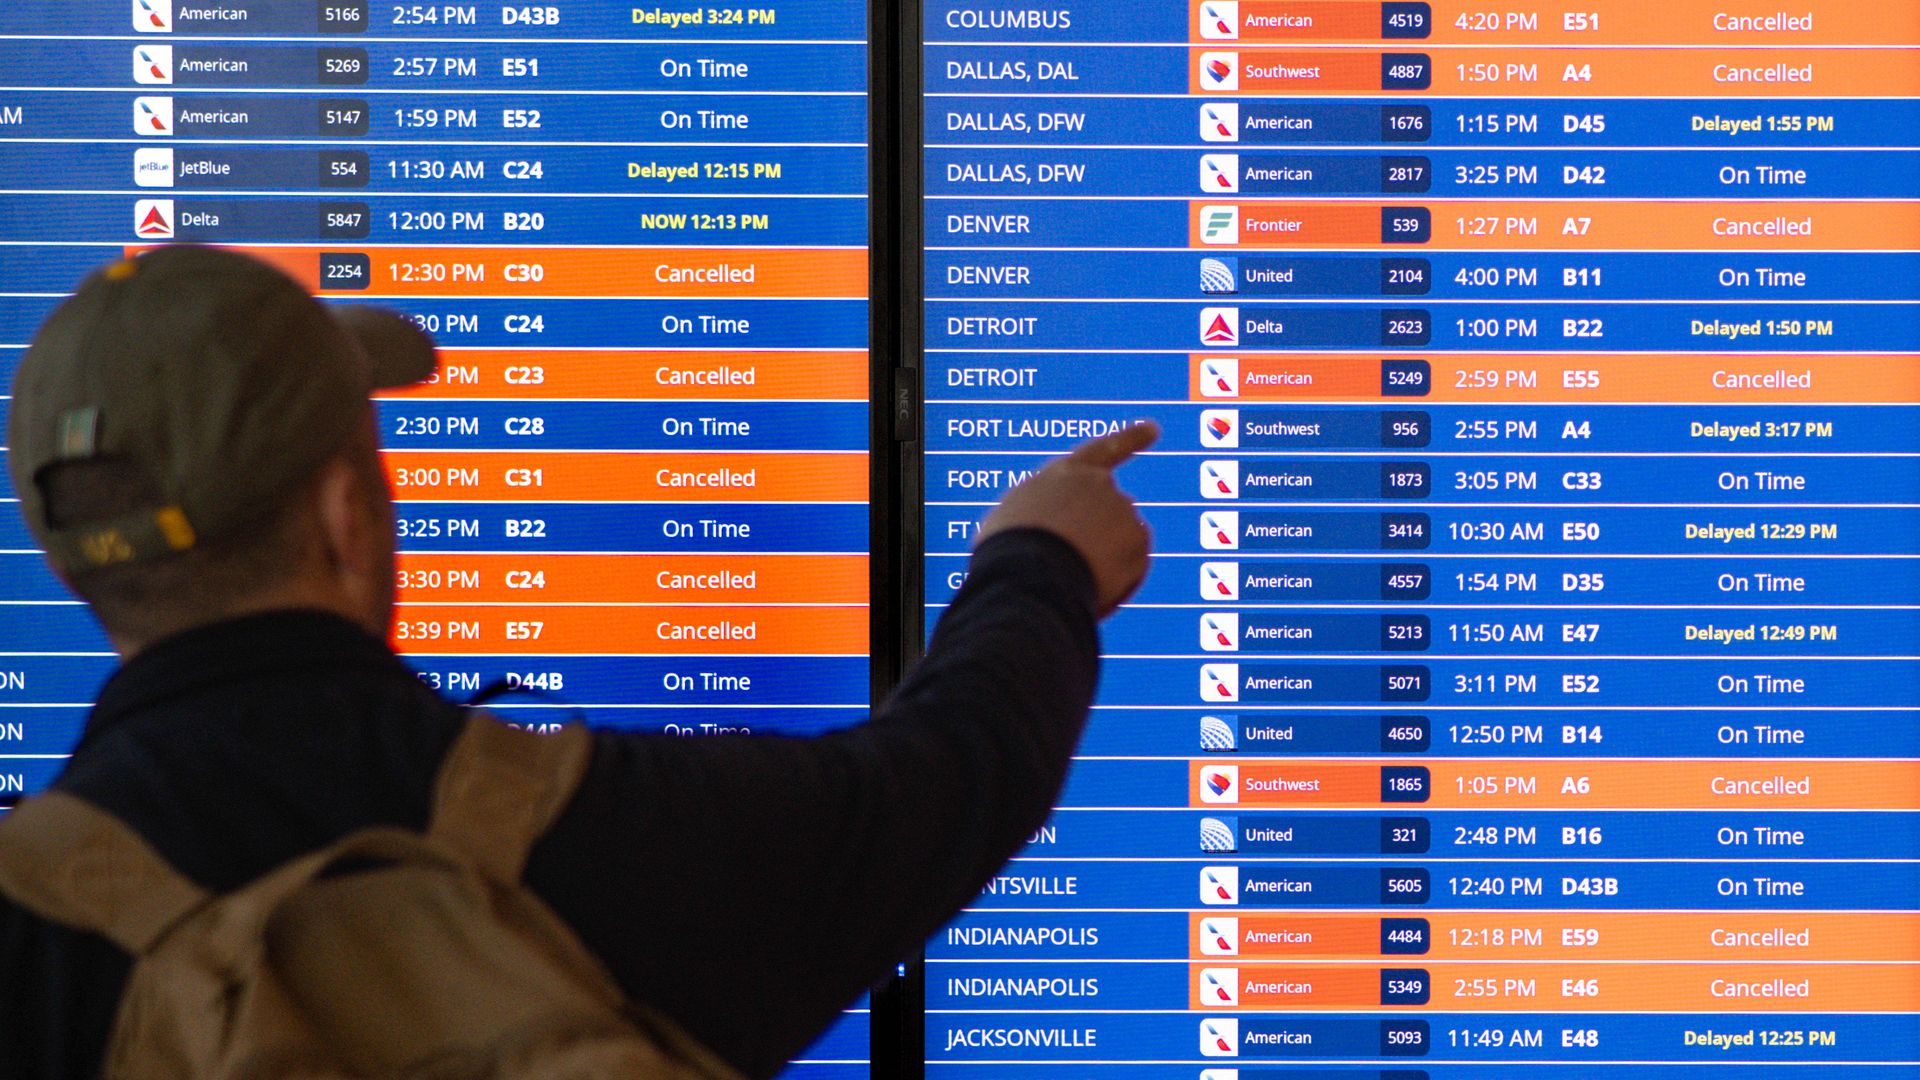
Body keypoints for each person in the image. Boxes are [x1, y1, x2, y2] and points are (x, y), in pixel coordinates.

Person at [0, 245, 1156, 1078]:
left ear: (66, 560)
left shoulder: (25, 926)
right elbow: (956, 770)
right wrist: (1039, 560)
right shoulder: (592, 831)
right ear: (348, 518)